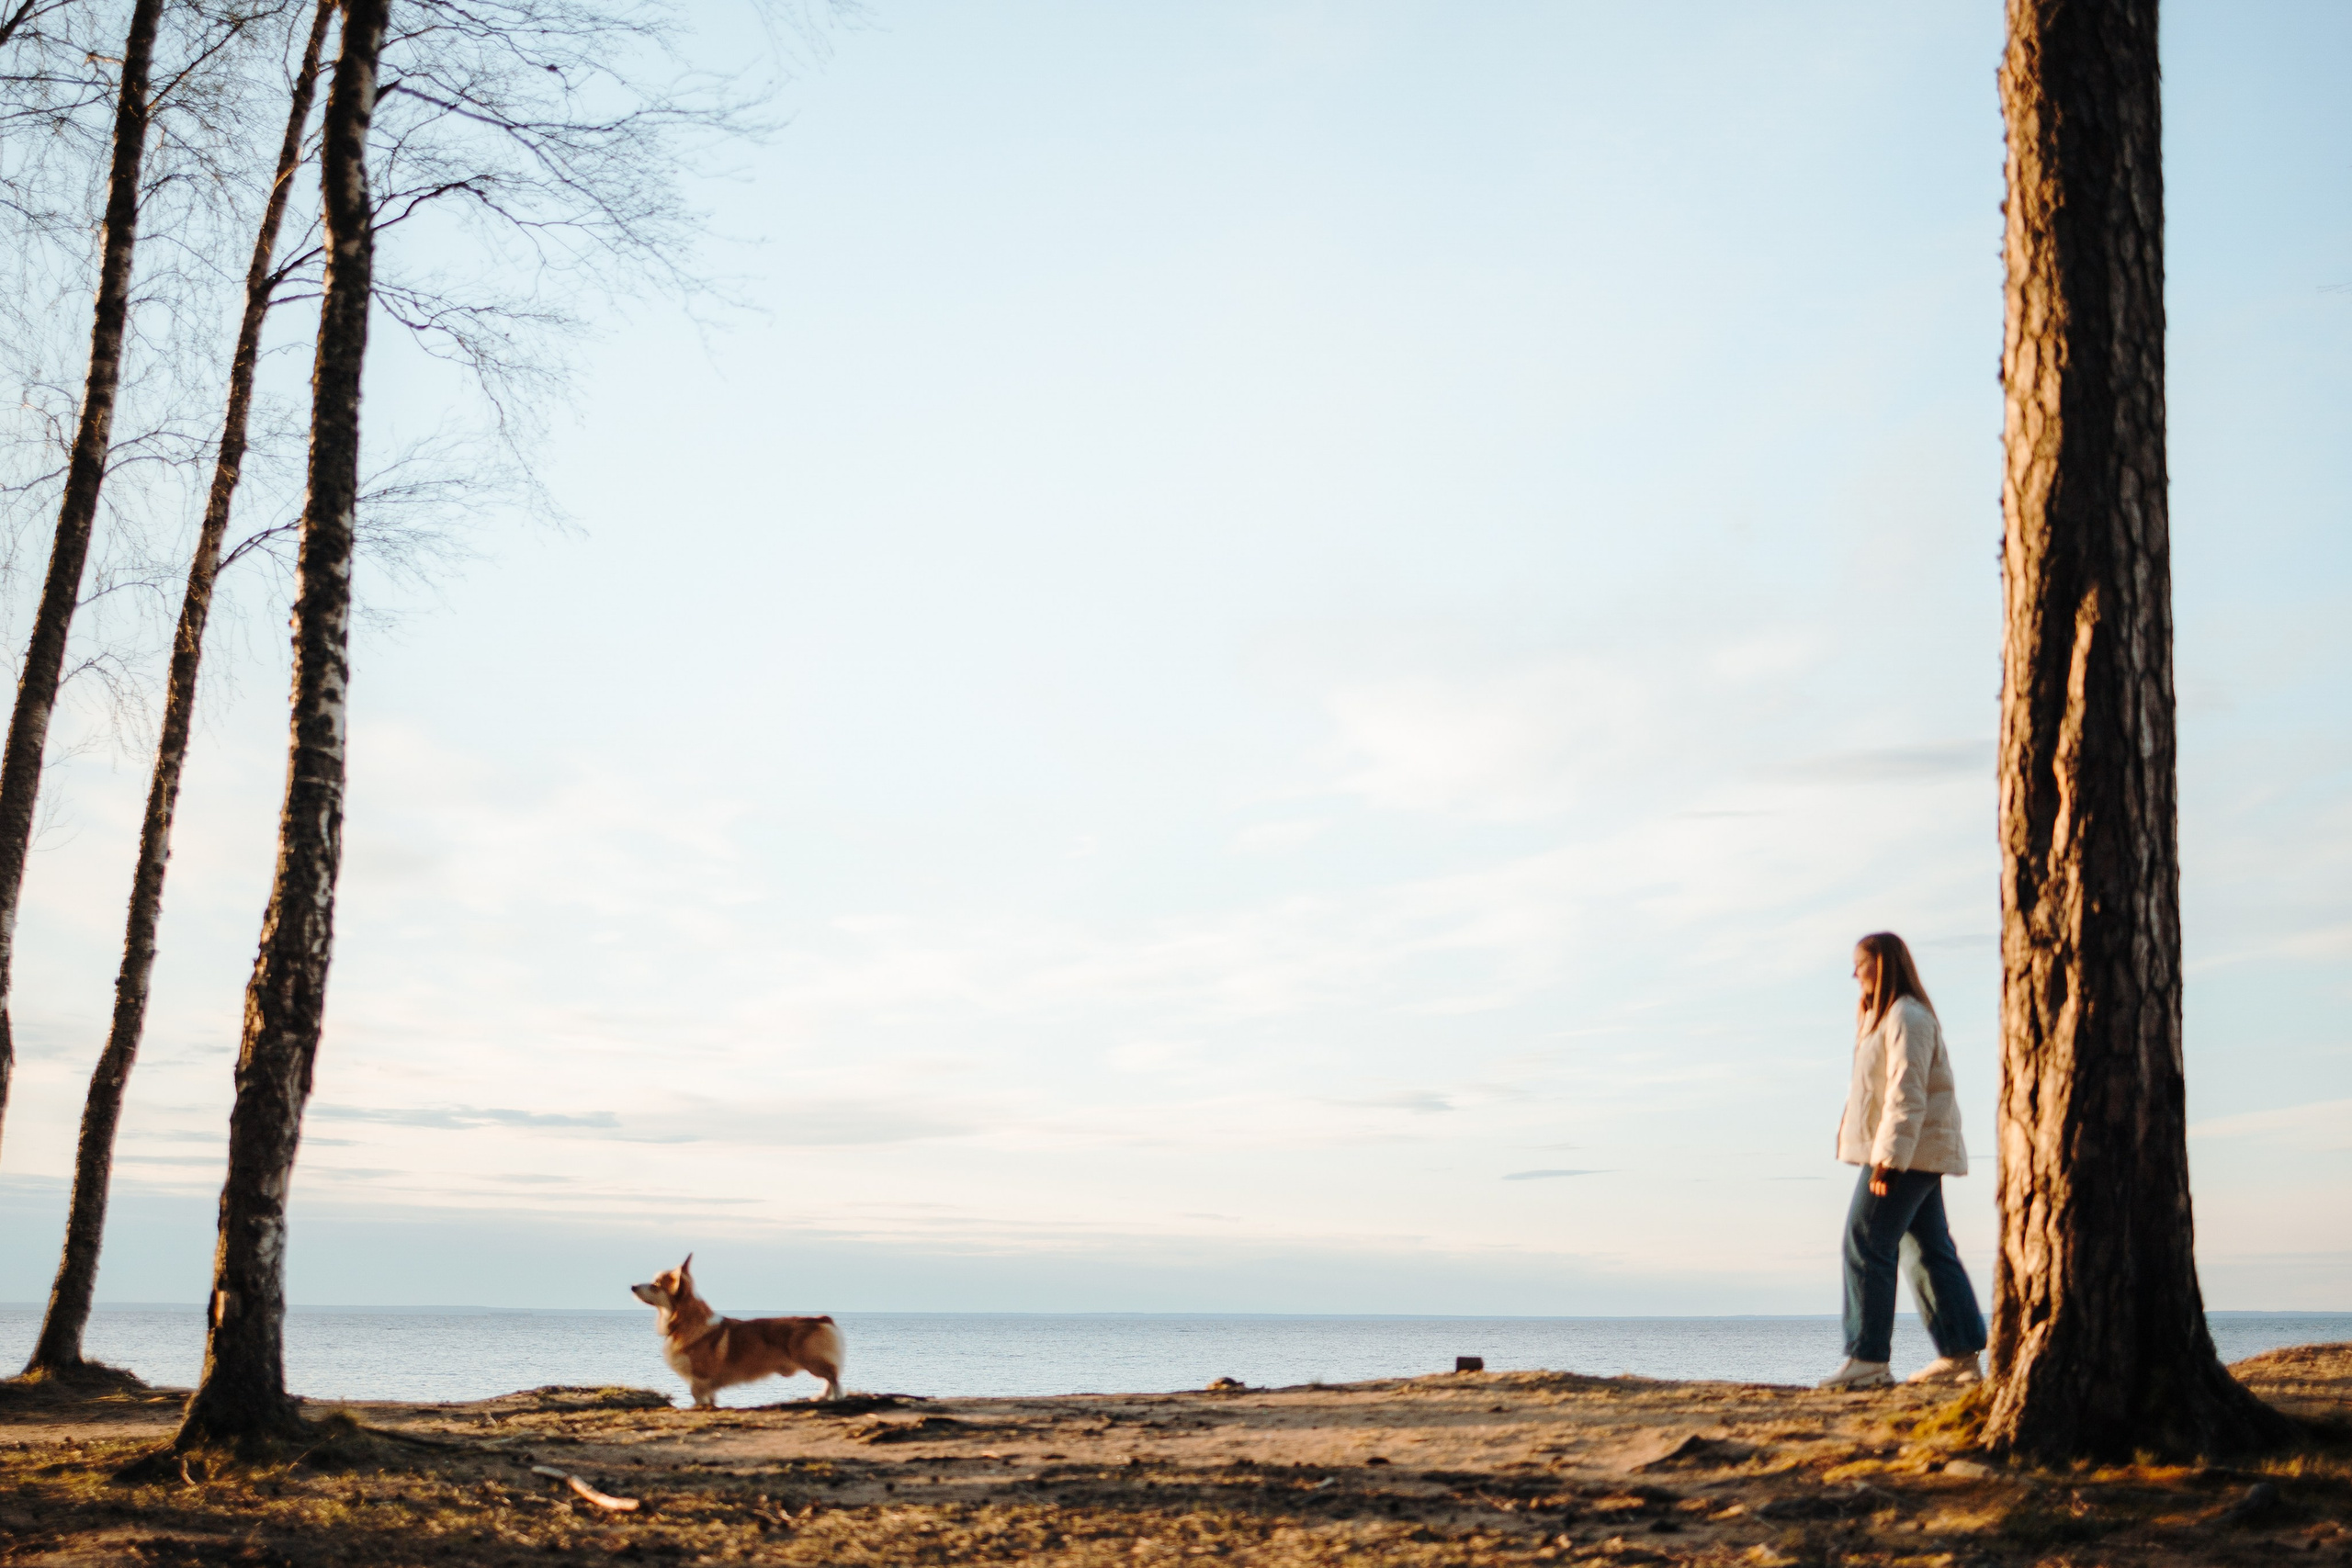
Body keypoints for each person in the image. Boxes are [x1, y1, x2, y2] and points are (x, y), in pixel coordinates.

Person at [1818, 931, 1988, 1391]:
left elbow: (1906, 1093)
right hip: (1915, 1151)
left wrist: (1888, 1160)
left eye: (1862, 962)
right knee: (1927, 1249)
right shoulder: (1885, 1017)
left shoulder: (1907, 1016)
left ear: (1885, 964)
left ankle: (1868, 1359)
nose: (1855, 973)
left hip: (1906, 1154)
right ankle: (1960, 1357)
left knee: (1866, 1241)